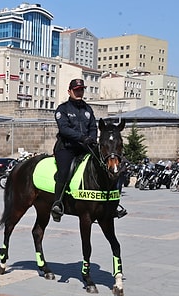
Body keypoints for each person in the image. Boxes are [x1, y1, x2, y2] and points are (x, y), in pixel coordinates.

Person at [51, 79, 127, 222]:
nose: (79, 92)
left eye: (81, 90)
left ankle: (112, 205)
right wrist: (82, 137)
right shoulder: (63, 109)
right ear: (69, 91)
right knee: (65, 171)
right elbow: (64, 129)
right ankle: (58, 204)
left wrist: (91, 139)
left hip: (85, 147)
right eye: (76, 90)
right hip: (67, 148)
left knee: (107, 168)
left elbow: (93, 127)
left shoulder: (87, 109)